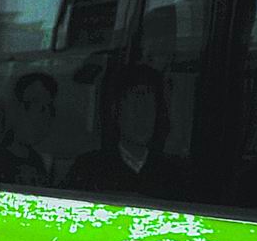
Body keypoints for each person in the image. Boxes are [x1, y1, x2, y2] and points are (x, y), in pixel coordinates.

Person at [67, 60, 186, 198]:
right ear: (116, 111)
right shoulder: (88, 169)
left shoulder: (174, 175)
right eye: (134, 106)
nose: (142, 117)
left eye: (148, 107)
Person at [0, 71, 58, 188]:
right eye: (36, 105)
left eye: (49, 108)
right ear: (17, 109)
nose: (45, 117)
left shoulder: (37, 160)